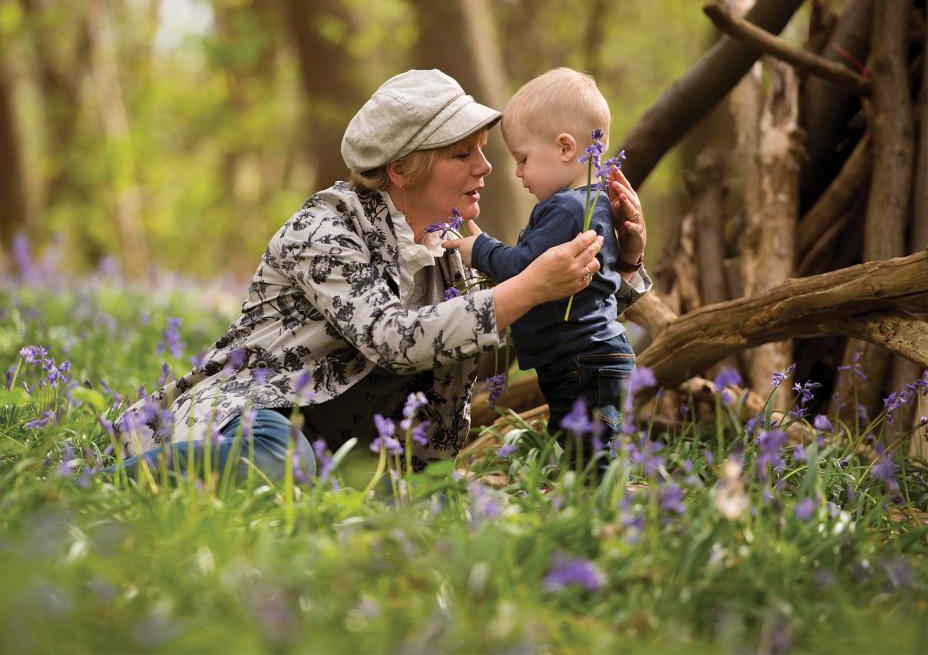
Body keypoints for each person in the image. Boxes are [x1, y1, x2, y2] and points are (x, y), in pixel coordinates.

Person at [114, 69, 649, 482]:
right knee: (278, 458)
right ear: (402, 168)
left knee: (342, 486)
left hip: (362, 462)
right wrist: (529, 282)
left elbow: (521, 328)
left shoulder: (444, 253)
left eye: (484, 152)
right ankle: (98, 485)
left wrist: (623, 269)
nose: (486, 168)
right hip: (257, 415)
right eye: (464, 154)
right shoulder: (323, 231)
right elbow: (394, 339)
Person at [444, 68, 647, 462]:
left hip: (580, 358)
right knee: (583, 443)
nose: (518, 172)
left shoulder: (568, 210)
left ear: (566, 148)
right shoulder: (591, 204)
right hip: (592, 353)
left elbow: (524, 267)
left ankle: (599, 514)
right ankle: (594, 505)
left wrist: (478, 249)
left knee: (586, 449)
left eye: (523, 158)